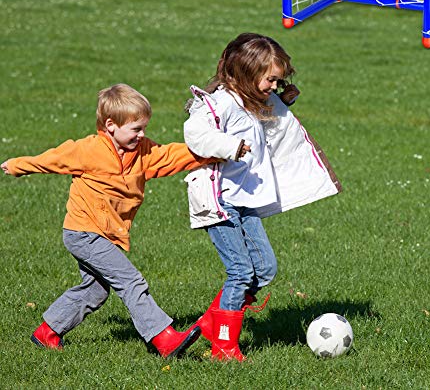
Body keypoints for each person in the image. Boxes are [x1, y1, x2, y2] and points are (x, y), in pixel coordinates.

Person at [1, 83, 214, 359]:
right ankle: (163, 339)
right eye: (136, 129)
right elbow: (52, 159)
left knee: (94, 292)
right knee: (131, 281)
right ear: (111, 125)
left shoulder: (143, 153)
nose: (142, 135)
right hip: (84, 231)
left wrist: (217, 150)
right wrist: (18, 166)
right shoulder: (89, 150)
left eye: (144, 128)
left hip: (106, 234)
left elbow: (172, 156)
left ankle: (48, 332)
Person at [183, 33, 342, 361]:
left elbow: (266, 123)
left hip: (244, 200)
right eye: (270, 79)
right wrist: (230, 147)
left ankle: (214, 321)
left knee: (265, 269)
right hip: (219, 197)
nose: (274, 85)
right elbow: (195, 133)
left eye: (278, 80)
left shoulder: (252, 100)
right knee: (241, 271)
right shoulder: (221, 102)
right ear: (244, 72)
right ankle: (224, 345)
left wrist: (285, 99)